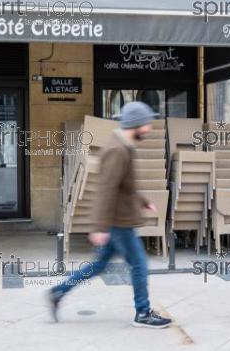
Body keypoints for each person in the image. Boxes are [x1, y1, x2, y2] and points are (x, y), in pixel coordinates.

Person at [49, 101, 172, 329]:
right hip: (118, 222)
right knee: (139, 264)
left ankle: (59, 291)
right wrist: (99, 227)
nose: (149, 128)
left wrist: (143, 201)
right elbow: (105, 190)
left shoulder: (124, 146)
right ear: (136, 124)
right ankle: (143, 313)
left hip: (119, 219)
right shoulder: (117, 150)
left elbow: (126, 185)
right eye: (146, 124)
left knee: (99, 265)